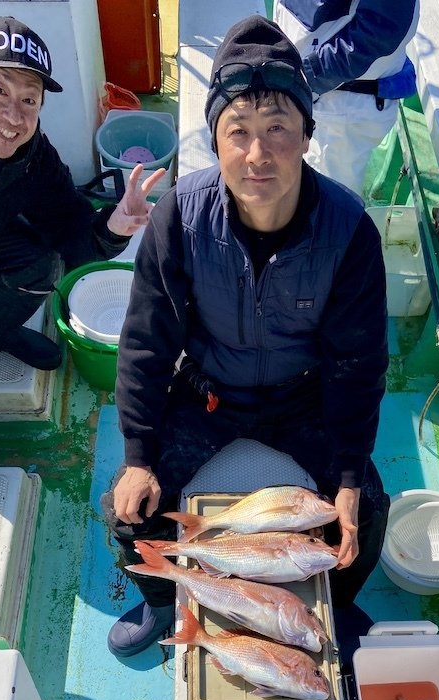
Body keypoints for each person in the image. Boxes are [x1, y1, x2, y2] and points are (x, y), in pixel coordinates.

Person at [102, 14, 390, 660]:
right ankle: (161, 601)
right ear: (215, 141)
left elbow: (357, 361)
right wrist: (139, 455)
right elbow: (146, 344)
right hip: (207, 393)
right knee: (127, 510)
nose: (258, 154)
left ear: (307, 136)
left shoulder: (349, 231)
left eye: (278, 128)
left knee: (368, 507)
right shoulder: (179, 217)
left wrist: (347, 473)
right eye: (238, 131)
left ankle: (337, 604)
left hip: (304, 396)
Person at [0, 15, 163, 507]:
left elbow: (69, 226)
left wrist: (113, 225)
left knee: (40, 264)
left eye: (29, 100)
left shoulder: (31, 154)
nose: (15, 116)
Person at [273, 0, 420, 195]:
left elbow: (381, 30)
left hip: (337, 110)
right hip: (304, 92)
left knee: (326, 201)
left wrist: (308, 75)